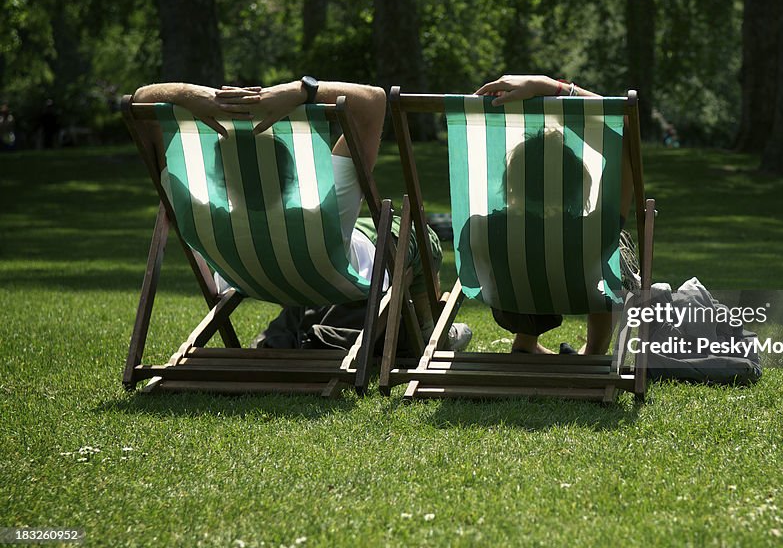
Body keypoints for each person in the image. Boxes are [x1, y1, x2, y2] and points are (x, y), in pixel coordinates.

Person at [131, 79, 463, 348]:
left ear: (219, 177)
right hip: (333, 276)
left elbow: (139, 101)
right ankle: (430, 330)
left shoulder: (202, 208)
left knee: (363, 228)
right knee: (419, 235)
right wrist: (302, 90)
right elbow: (373, 100)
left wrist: (197, 96)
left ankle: (298, 324)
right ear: (292, 176)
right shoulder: (321, 209)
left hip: (245, 279)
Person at [472, 74, 639, 356]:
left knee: (527, 254)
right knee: (616, 247)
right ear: (578, 187)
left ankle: (525, 343)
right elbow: (626, 135)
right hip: (580, 294)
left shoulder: (483, 227)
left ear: (511, 185)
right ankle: (594, 351)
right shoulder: (594, 232)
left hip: (511, 309)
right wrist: (556, 89)